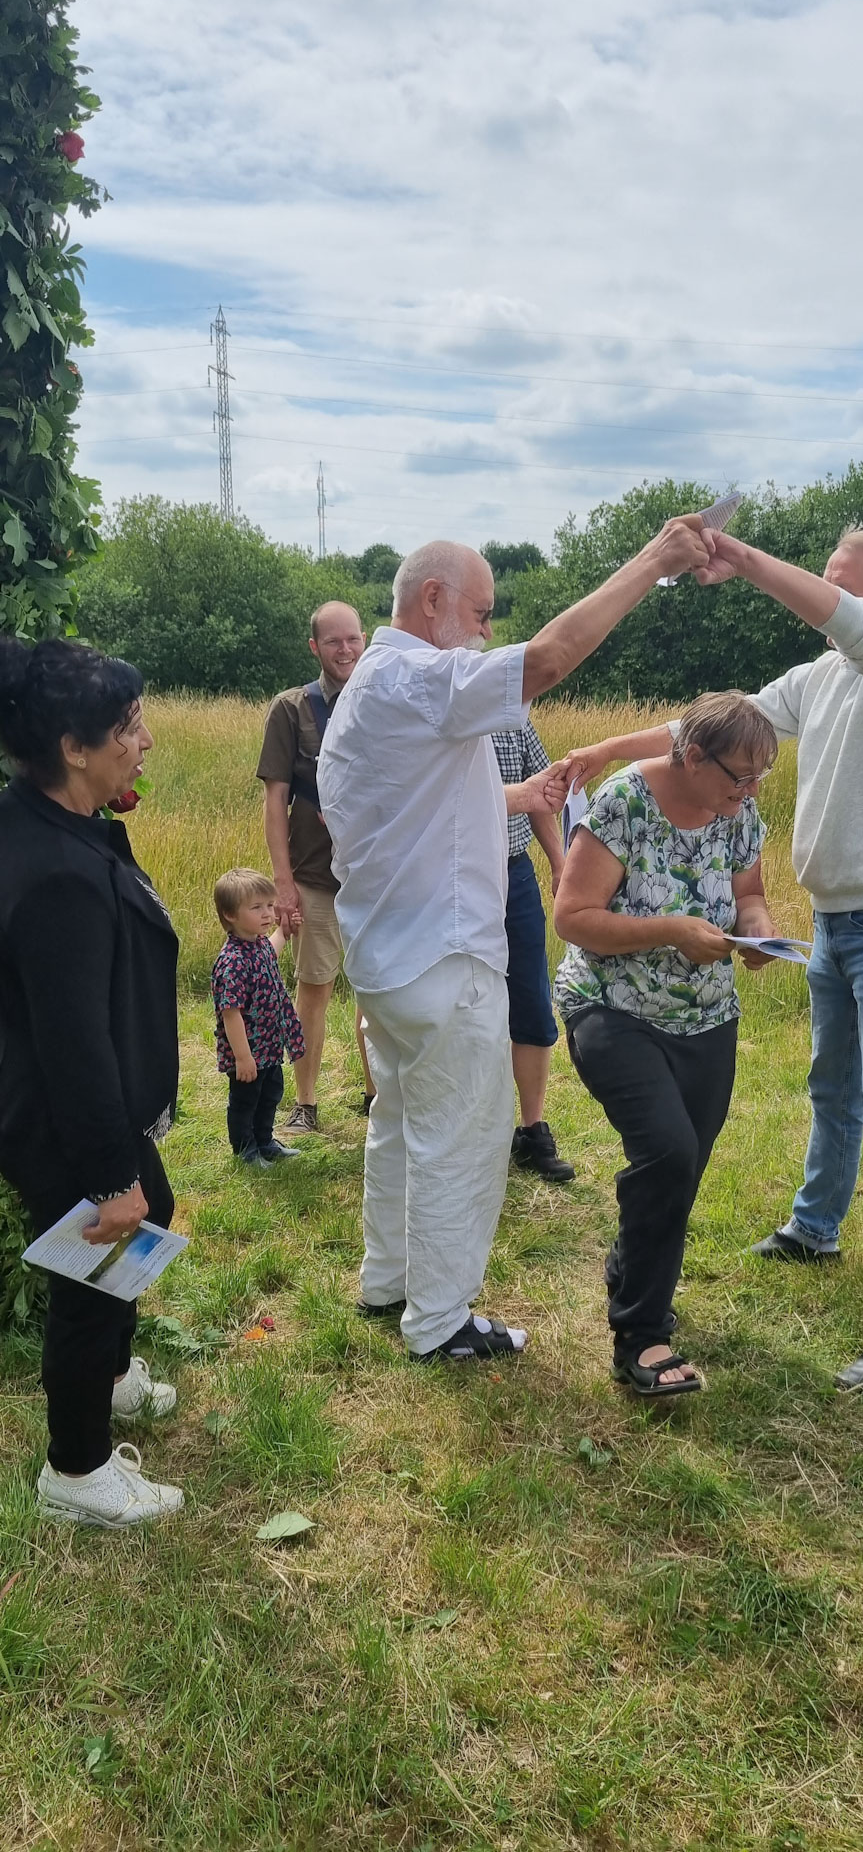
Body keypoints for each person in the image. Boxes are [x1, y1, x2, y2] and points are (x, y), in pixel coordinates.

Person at [562, 527, 863, 1395]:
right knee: (831, 1089)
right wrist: (607, 750)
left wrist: (740, 559)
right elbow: (705, 731)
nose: (825, 599)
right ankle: (816, 1227)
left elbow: (842, 619)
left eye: (841, 586)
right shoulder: (821, 678)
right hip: (839, 920)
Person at [317, 520, 713, 1364]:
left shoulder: (375, 685)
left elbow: (416, 809)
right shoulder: (421, 676)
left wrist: (521, 793)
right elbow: (548, 660)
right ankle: (440, 1322)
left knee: (401, 1123)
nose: (488, 631)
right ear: (433, 600)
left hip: (389, 958)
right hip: (442, 958)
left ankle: (388, 1280)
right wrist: (654, 560)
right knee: (461, 1135)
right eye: (483, 613)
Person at [0, 638, 184, 1527]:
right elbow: (71, 1046)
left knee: (155, 1207)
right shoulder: (56, 875)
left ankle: (111, 1378)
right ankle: (76, 1473)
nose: (142, 742)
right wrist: (110, 1177)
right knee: (97, 1265)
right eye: (127, 728)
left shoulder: (48, 819)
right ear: (74, 748)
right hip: (56, 1114)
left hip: (80, 1102)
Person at [553, 692, 780, 1396]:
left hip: (708, 1017)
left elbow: (750, 893)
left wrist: (758, 928)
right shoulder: (625, 802)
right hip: (612, 1009)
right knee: (669, 1152)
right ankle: (641, 1337)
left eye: (760, 779)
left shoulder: (738, 811)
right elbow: (573, 916)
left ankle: (631, 1266)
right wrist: (672, 930)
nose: (748, 793)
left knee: (680, 1169)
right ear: (692, 755)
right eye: (738, 777)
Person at [257, 601, 375, 1135]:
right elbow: (274, 801)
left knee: (377, 988)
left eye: (353, 639)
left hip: (375, 877)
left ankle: (376, 1095)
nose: (345, 650)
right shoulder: (291, 709)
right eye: (333, 641)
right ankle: (305, 1103)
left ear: (365, 639)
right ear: (314, 647)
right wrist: (283, 884)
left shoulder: (382, 702)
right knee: (315, 986)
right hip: (315, 876)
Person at [492, 718, 575, 1182]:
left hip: (514, 872)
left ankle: (531, 1131)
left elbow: (540, 795)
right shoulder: (433, 711)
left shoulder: (513, 720)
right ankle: (470, 1130)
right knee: (459, 1003)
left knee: (531, 999)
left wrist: (560, 864)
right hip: (451, 876)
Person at [211, 868, 305, 1168]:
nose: (267, 913)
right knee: (245, 1101)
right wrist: (242, 1057)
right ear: (230, 914)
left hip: (268, 1045)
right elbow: (231, 1013)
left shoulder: (258, 943)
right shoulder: (232, 961)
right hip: (249, 1050)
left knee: (270, 1094)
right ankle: (246, 1150)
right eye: (256, 907)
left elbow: (271, 951)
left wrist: (284, 932)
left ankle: (265, 1141)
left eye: (269, 905)